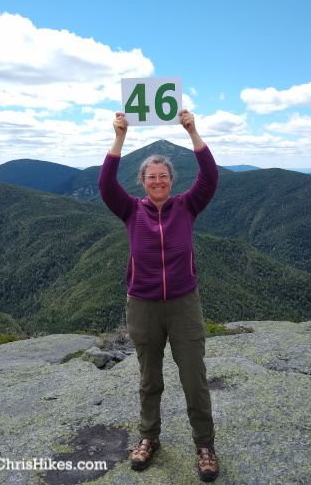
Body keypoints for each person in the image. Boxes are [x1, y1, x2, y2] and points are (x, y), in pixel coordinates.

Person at [98, 108, 219, 482]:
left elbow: (210, 176)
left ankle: (205, 445)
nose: (157, 181)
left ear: (171, 180)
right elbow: (105, 184)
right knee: (150, 379)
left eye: (163, 176)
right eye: (151, 177)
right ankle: (149, 438)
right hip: (143, 305)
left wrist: (192, 130)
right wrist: (119, 138)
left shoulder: (187, 205)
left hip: (184, 303)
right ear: (142, 182)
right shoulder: (131, 210)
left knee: (194, 378)